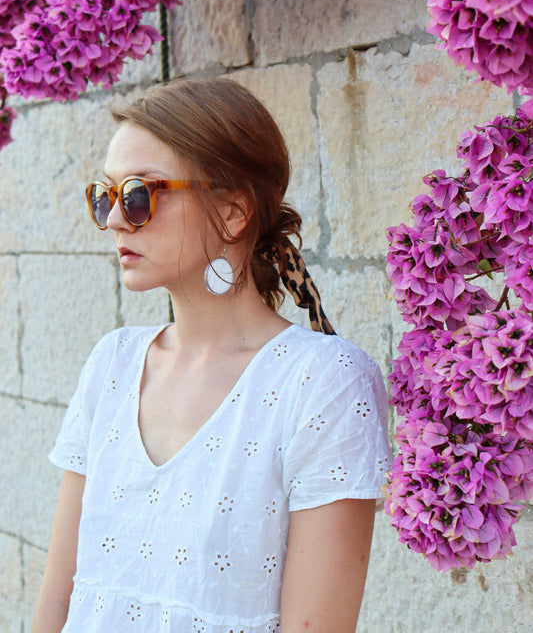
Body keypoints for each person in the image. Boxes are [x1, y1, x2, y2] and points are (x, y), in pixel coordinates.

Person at [31, 77, 392, 633]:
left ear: (232, 214)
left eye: (139, 195)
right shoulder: (112, 365)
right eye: (105, 196)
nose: (112, 220)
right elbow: (57, 605)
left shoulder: (323, 382)